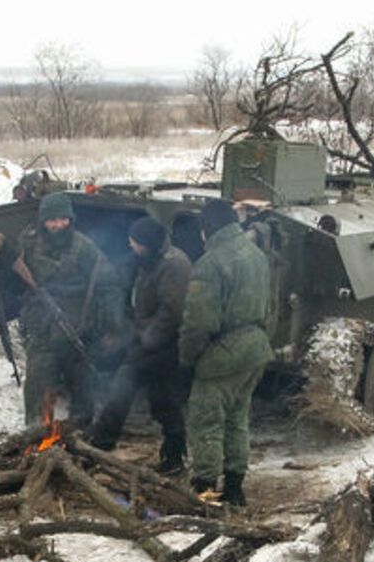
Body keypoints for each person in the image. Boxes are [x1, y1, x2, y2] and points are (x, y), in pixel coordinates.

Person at [0, 192, 120, 425]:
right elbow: (13, 277)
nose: (58, 225)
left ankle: (80, 435)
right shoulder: (29, 243)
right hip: (42, 328)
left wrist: (112, 326)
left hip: (77, 329)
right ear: (43, 221)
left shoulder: (84, 248)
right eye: (52, 220)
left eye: (63, 219)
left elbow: (108, 285)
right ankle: (36, 436)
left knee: (82, 389)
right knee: (39, 384)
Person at [179, 198, 272, 506]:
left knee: (206, 421)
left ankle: (205, 490)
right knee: (237, 419)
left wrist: (187, 358)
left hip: (222, 354)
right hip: (255, 348)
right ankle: (234, 488)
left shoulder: (210, 263)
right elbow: (271, 306)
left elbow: (199, 322)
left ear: (206, 230)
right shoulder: (256, 254)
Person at [87, 215, 192, 474]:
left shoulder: (174, 266)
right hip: (151, 338)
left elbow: (172, 312)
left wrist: (146, 340)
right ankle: (174, 457)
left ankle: (100, 444)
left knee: (123, 383)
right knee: (164, 399)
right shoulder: (150, 260)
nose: (131, 246)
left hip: (164, 342)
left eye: (135, 243)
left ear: (148, 244)